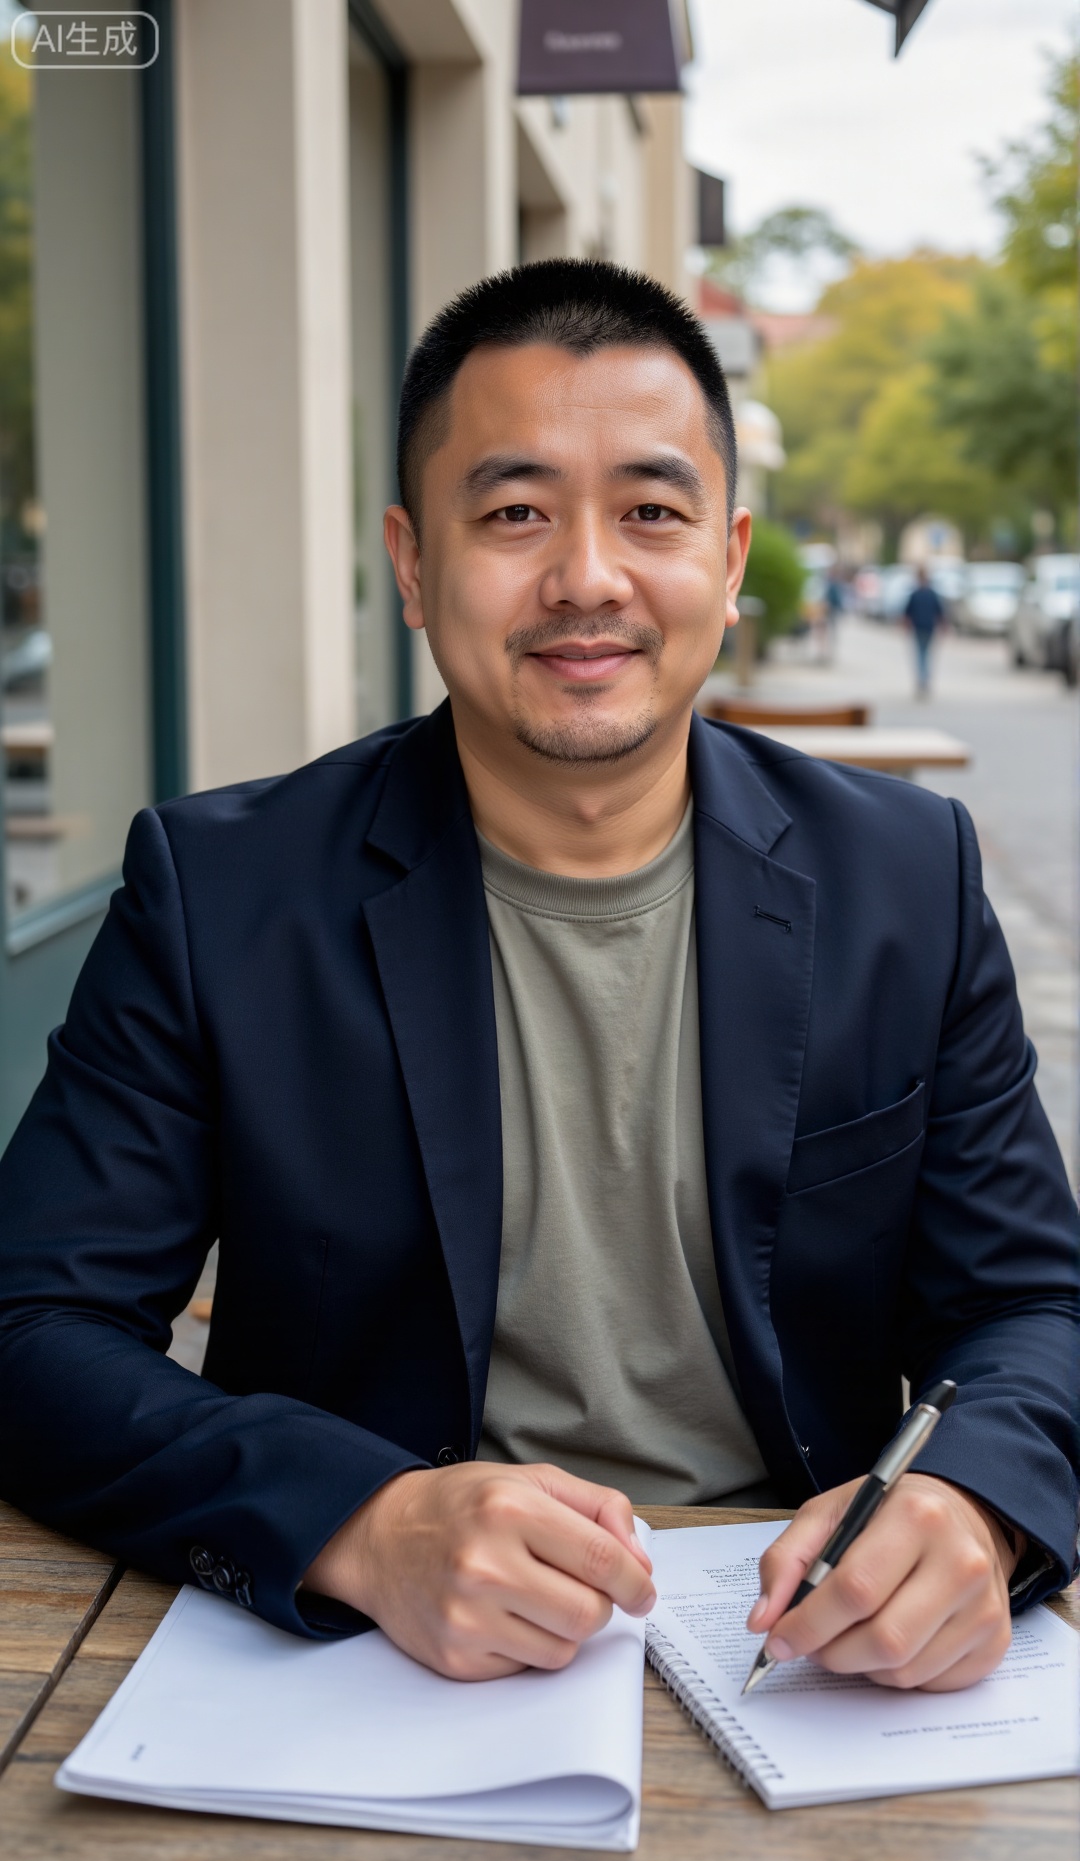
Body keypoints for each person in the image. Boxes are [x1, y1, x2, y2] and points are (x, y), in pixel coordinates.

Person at [0, 263, 1075, 1695]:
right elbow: (33, 1329)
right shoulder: (224, 893)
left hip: (797, 1644)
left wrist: (974, 1505)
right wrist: (357, 1520)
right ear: (411, 563)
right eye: (513, 513)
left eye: (651, 510)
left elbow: (1032, 1307)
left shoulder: (904, 878)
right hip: (372, 1660)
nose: (587, 577)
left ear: (732, 554)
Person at [904, 567, 946, 698]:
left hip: (919, 628)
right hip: (928, 628)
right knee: (926, 655)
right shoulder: (932, 594)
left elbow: (906, 614)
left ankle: (922, 680)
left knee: (920, 655)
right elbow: (940, 613)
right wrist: (943, 626)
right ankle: (925, 680)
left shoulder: (915, 594)